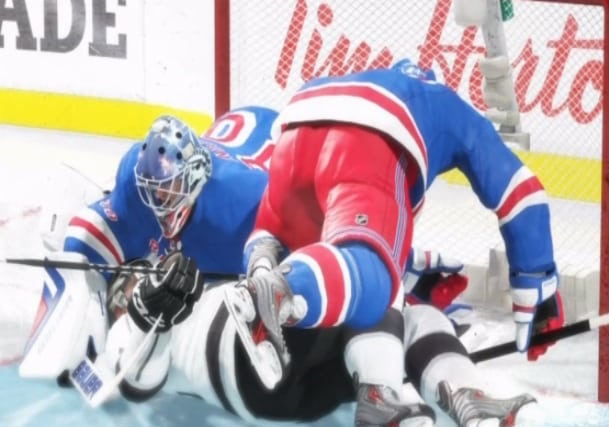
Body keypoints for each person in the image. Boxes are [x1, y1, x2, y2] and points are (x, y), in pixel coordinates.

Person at [19, 106, 472, 425]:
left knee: (340, 281)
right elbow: (94, 226)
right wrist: (77, 298)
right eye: (153, 192)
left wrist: (404, 267)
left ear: (195, 180)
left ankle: (413, 292)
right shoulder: (137, 183)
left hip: (273, 159)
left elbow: (341, 245)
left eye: (170, 192)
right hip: (236, 134)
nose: (159, 201)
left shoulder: (243, 206)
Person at [232, 59, 565, 389]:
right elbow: (521, 192)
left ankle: (262, 279)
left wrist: (412, 281)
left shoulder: (360, 76)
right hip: (367, 137)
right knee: (372, 273)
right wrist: (538, 287)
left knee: (285, 242)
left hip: (293, 135)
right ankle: (276, 292)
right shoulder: (442, 101)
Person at [96, 253, 536, 427]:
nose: (152, 280)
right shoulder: (126, 330)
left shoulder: (194, 294)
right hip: (249, 361)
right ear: (119, 302)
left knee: (417, 318)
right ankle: (383, 399)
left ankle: (468, 401)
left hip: (294, 396)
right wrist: (148, 315)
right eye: (136, 282)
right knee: (369, 295)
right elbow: (136, 384)